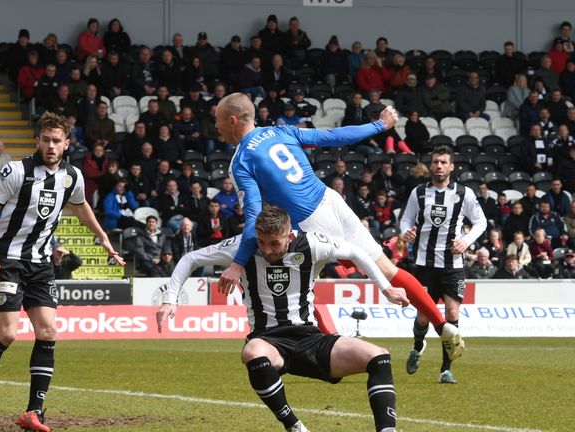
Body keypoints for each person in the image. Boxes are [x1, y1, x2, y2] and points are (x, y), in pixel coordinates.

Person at [215, 93, 464, 358]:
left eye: (218, 121)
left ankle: (328, 351)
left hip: (311, 221)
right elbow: (333, 136)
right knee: (388, 268)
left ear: (232, 120)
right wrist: (379, 126)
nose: (216, 127)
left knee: (299, 289)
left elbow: (253, 214)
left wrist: (237, 263)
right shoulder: (282, 131)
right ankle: (444, 326)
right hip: (332, 200)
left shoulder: (241, 161)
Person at [156, 206, 406, 432]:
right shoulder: (242, 247)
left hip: (311, 338)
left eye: (274, 244)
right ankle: (294, 426)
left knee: (378, 356)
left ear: (289, 235)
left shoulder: (312, 243)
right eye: (262, 242)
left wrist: (386, 289)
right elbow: (190, 259)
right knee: (252, 352)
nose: (267, 250)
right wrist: (170, 299)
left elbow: (355, 252)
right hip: (269, 341)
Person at [0, 112, 122, 432]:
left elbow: (81, 205)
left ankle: (34, 412)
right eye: (45, 140)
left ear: (66, 144)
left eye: (56, 141)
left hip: (41, 264)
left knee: (48, 332)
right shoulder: (17, 171)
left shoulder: (72, 176)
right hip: (8, 261)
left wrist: (102, 238)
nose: (50, 146)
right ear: (37, 141)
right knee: (7, 334)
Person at [400, 145, 487, 384]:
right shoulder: (419, 192)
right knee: (423, 318)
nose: (439, 166)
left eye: (443, 162)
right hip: (424, 264)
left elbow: (481, 222)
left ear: (451, 167)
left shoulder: (464, 193)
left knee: (451, 313)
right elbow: (406, 218)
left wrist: (466, 241)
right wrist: (405, 231)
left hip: (453, 264)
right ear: (431, 165)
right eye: (435, 161)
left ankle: (445, 370)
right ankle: (418, 347)